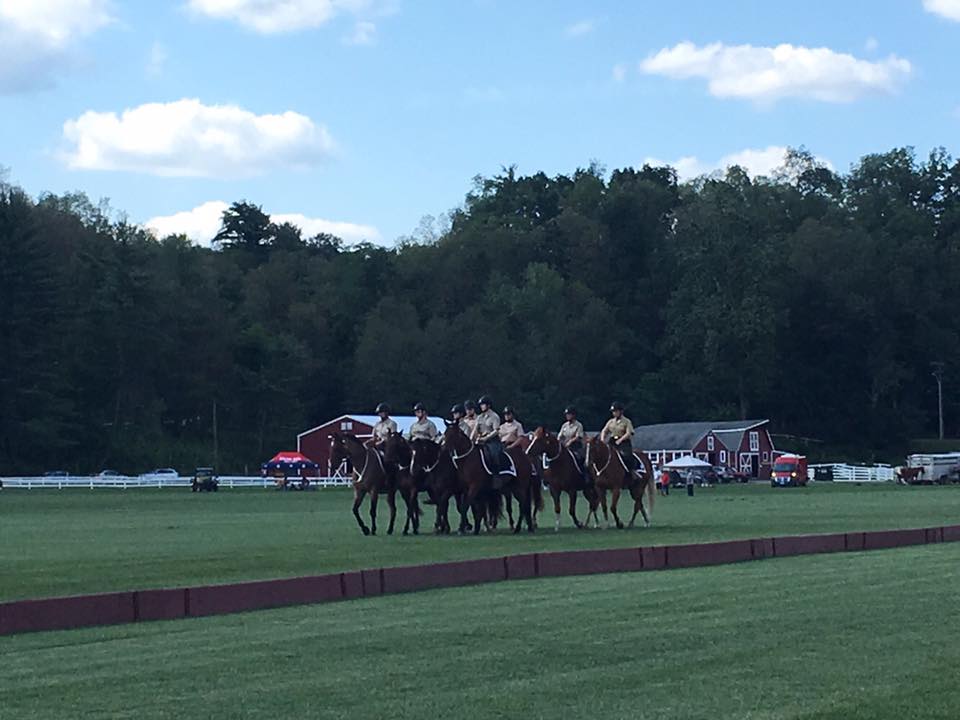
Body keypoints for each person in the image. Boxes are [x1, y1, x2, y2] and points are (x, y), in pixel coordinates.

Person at [600, 401, 641, 482]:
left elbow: (629, 433)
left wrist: (620, 440)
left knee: (626, 456)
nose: (614, 413)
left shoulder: (626, 421)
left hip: (624, 442)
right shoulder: (610, 421)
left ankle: (632, 472)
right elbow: (604, 430)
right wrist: (602, 439)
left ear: (621, 411)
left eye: (616, 411)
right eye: (613, 412)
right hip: (612, 441)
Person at [473, 395, 509, 476]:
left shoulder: (494, 416)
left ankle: (497, 474)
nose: (481, 406)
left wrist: (486, 438)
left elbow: (496, 431)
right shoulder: (479, 417)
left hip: (493, 441)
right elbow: (475, 429)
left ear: (488, 405)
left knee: (494, 454)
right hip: (481, 441)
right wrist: (473, 438)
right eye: (481, 405)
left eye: (483, 404)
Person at [558, 406, 588, 481]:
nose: (567, 416)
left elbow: (579, 436)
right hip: (565, 447)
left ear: (574, 415)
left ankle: (584, 475)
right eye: (567, 414)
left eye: (569, 414)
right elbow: (560, 436)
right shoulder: (564, 425)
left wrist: (570, 441)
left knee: (580, 459)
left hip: (576, 447)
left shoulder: (578, 425)